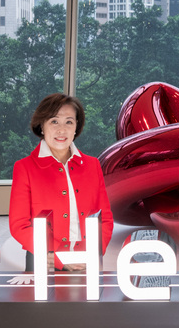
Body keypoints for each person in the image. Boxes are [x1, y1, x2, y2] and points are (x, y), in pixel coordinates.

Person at [9, 93, 114, 273]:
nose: (61, 130)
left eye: (69, 122)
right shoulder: (24, 167)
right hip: (45, 261)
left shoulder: (92, 165)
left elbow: (105, 218)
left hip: (86, 261)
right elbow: (19, 224)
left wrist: (93, 254)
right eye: (54, 121)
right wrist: (57, 259)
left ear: (76, 128)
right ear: (42, 126)